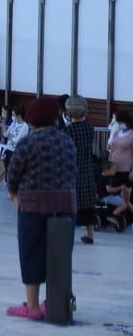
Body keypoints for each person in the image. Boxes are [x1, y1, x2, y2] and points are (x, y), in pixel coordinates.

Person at [5, 95, 77, 321]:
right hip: (65, 205)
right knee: (59, 255)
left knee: (31, 253)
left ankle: (33, 307)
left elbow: (13, 174)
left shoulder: (28, 142)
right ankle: (54, 303)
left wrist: (12, 190)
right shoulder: (67, 141)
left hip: (33, 206)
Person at [62, 96, 99, 244]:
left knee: (71, 204)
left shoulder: (68, 131)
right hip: (87, 170)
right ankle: (90, 234)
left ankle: (69, 233)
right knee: (88, 204)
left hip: (72, 171)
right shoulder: (90, 129)